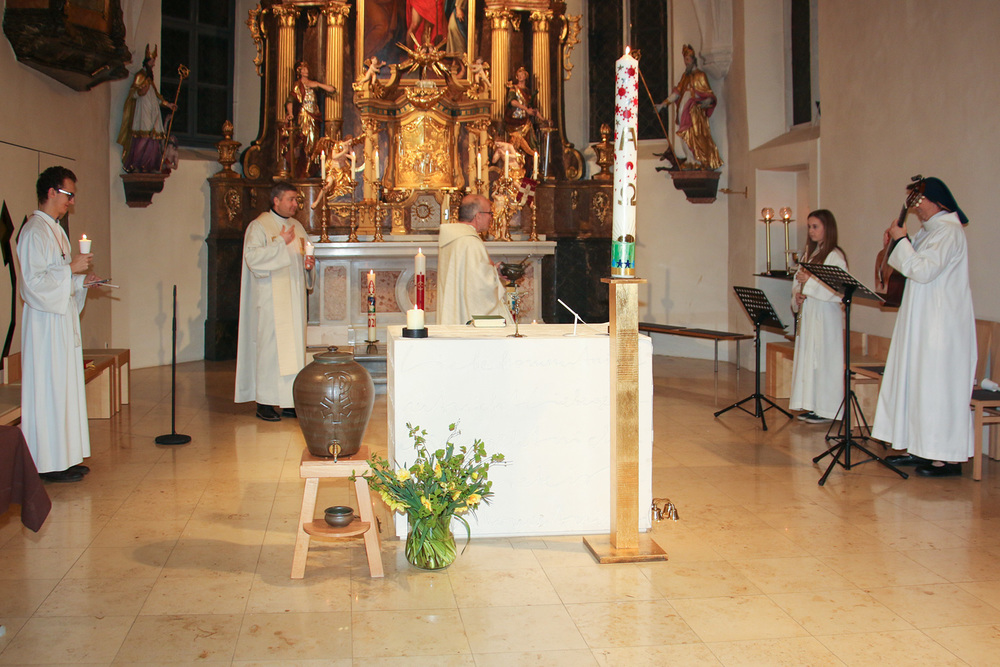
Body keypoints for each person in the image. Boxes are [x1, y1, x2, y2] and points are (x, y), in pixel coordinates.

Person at [872, 177, 976, 477]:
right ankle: (919, 448)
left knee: (936, 389)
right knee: (917, 386)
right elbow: (907, 265)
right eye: (914, 203)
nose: (916, 208)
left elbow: (923, 271)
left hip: (941, 326)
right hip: (921, 322)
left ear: (938, 201)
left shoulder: (949, 232)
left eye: (920, 201)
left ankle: (946, 459)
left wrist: (902, 240)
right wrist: (895, 243)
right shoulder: (930, 232)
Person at [18, 166, 99, 483]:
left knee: (64, 390)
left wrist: (81, 282)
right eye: (69, 194)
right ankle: (46, 464)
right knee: (49, 391)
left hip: (61, 323)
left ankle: (64, 458)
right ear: (51, 192)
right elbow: (32, 285)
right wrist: (70, 271)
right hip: (45, 326)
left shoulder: (57, 231)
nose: (72, 201)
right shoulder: (33, 232)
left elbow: (60, 278)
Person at [235, 182, 316, 421]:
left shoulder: (297, 227)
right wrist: (279, 242)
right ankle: (265, 402)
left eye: (296, 200)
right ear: (276, 201)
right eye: (290, 199)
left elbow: (303, 258)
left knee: (294, 349)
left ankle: (289, 401)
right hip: (270, 299)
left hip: (294, 300)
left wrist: (308, 266)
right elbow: (252, 258)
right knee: (271, 350)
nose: (295, 204)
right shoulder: (259, 226)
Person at [788, 210, 848, 424]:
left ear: (827, 228)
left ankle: (828, 409)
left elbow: (837, 289)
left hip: (825, 318)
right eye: (809, 227)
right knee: (810, 361)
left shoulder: (835, 256)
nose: (811, 231)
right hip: (810, 315)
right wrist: (798, 295)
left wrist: (810, 282)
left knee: (824, 362)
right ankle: (813, 405)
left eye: (815, 227)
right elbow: (797, 283)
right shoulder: (810, 255)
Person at [437, 194, 512, 325]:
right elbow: (481, 287)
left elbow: (469, 276)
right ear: (478, 216)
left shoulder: (452, 238)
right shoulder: (470, 242)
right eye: (489, 213)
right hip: (469, 319)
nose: (491, 217)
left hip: (455, 310)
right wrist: (495, 274)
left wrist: (493, 270)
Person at [655, 44, 723, 170]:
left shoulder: (700, 75)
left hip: (695, 112)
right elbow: (677, 93)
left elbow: (708, 93)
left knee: (696, 135)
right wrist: (663, 104)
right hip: (684, 111)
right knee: (684, 133)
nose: (686, 63)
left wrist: (707, 101)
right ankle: (690, 160)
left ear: (693, 59)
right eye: (684, 60)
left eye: (687, 59)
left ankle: (699, 160)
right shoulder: (685, 77)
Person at [116, 44, 177, 173]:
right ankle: (135, 164)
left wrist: (168, 104)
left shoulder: (149, 79)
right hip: (143, 111)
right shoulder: (140, 76)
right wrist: (140, 92)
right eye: (152, 61)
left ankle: (148, 165)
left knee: (152, 138)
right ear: (147, 61)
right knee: (143, 137)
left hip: (152, 111)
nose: (153, 64)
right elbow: (133, 94)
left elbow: (156, 96)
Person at [286, 61, 336, 175]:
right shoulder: (298, 85)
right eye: (304, 69)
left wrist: (320, 85)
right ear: (299, 71)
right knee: (306, 141)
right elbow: (291, 100)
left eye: (307, 69)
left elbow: (331, 89)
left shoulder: (313, 83)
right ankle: (304, 168)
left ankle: (308, 168)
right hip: (305, 115)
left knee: (313, 143)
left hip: (314, 116)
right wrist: (290, 113)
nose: (306, 71)